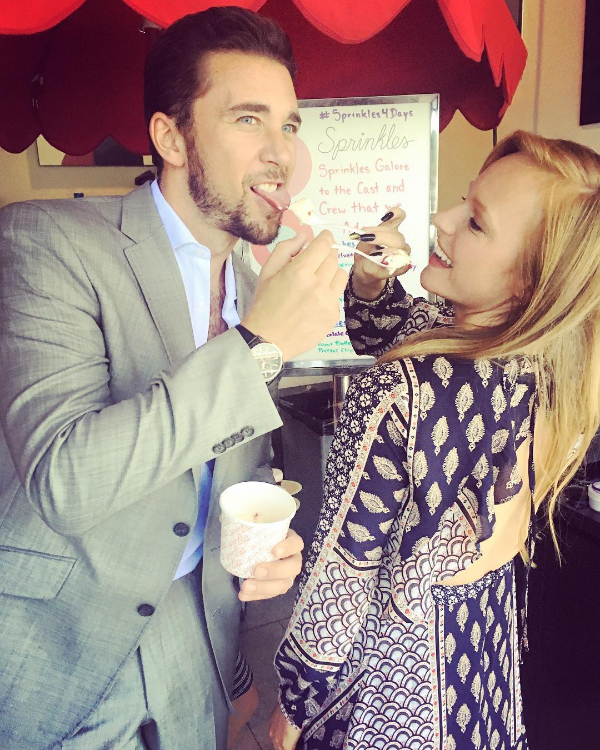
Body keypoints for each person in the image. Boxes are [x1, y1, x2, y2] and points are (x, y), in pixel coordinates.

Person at [0, 8, 347, 750]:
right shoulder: (47, 240)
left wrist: (265, 563)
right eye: (249, 119)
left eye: (289, 125)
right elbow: (64, 480)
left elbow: (229, 478)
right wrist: (258, 346)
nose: (281, 154)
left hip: (197, 653)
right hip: (54, 649)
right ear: (171, 137)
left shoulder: (256, 290)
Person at [269, 130, 600, 749]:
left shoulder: (401, 389)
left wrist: (296, 699)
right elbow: (406, 331)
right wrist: (372, 284)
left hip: (392, 682)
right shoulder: (558, 368)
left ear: (531, 280)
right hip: (484, 655)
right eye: (464, 200)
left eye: (475, 222)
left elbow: (343, 576)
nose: (441, 220)